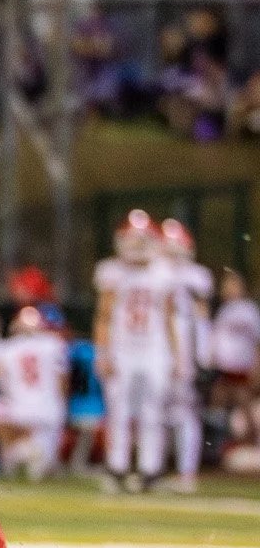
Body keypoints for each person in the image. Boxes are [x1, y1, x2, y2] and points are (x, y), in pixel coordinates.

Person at [94, 209, 179, 493]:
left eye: (143, 241)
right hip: (123, 348)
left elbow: (169, 318)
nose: (138, 247)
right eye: (133, 241)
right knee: (119, 410)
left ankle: (150, 469)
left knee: (153, 410)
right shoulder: (112, 272)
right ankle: (117, 468)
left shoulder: (163, 272)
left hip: (154, 348)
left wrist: (176, 355)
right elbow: (104, 316)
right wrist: (103, 352)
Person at [160, 218, 215, 493]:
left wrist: (202, 356)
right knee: (157, 413)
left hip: (183, 350)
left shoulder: (195, 277)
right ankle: (157, 470)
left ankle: (186, 472)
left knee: (184, 412)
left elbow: (200, 320)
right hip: (159, 348)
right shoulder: (155, 274)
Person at [0, 305, 71, 480]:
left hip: (17, 408)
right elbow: (62, 380)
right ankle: (25, 455)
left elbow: (1, 381)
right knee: (43, 465)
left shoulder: (6, 349)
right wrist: (62, 404)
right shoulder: (54, 344)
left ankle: (15, 458)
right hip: (49, 408)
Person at [211, 271, 259, 447]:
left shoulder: (248, 310)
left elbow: (256, 340)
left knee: (243, 403)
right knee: (218, 404)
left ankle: (252, 441)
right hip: (223, 367)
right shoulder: (223, 310)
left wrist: (255, 365)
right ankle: (218, 443)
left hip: (241, 367)